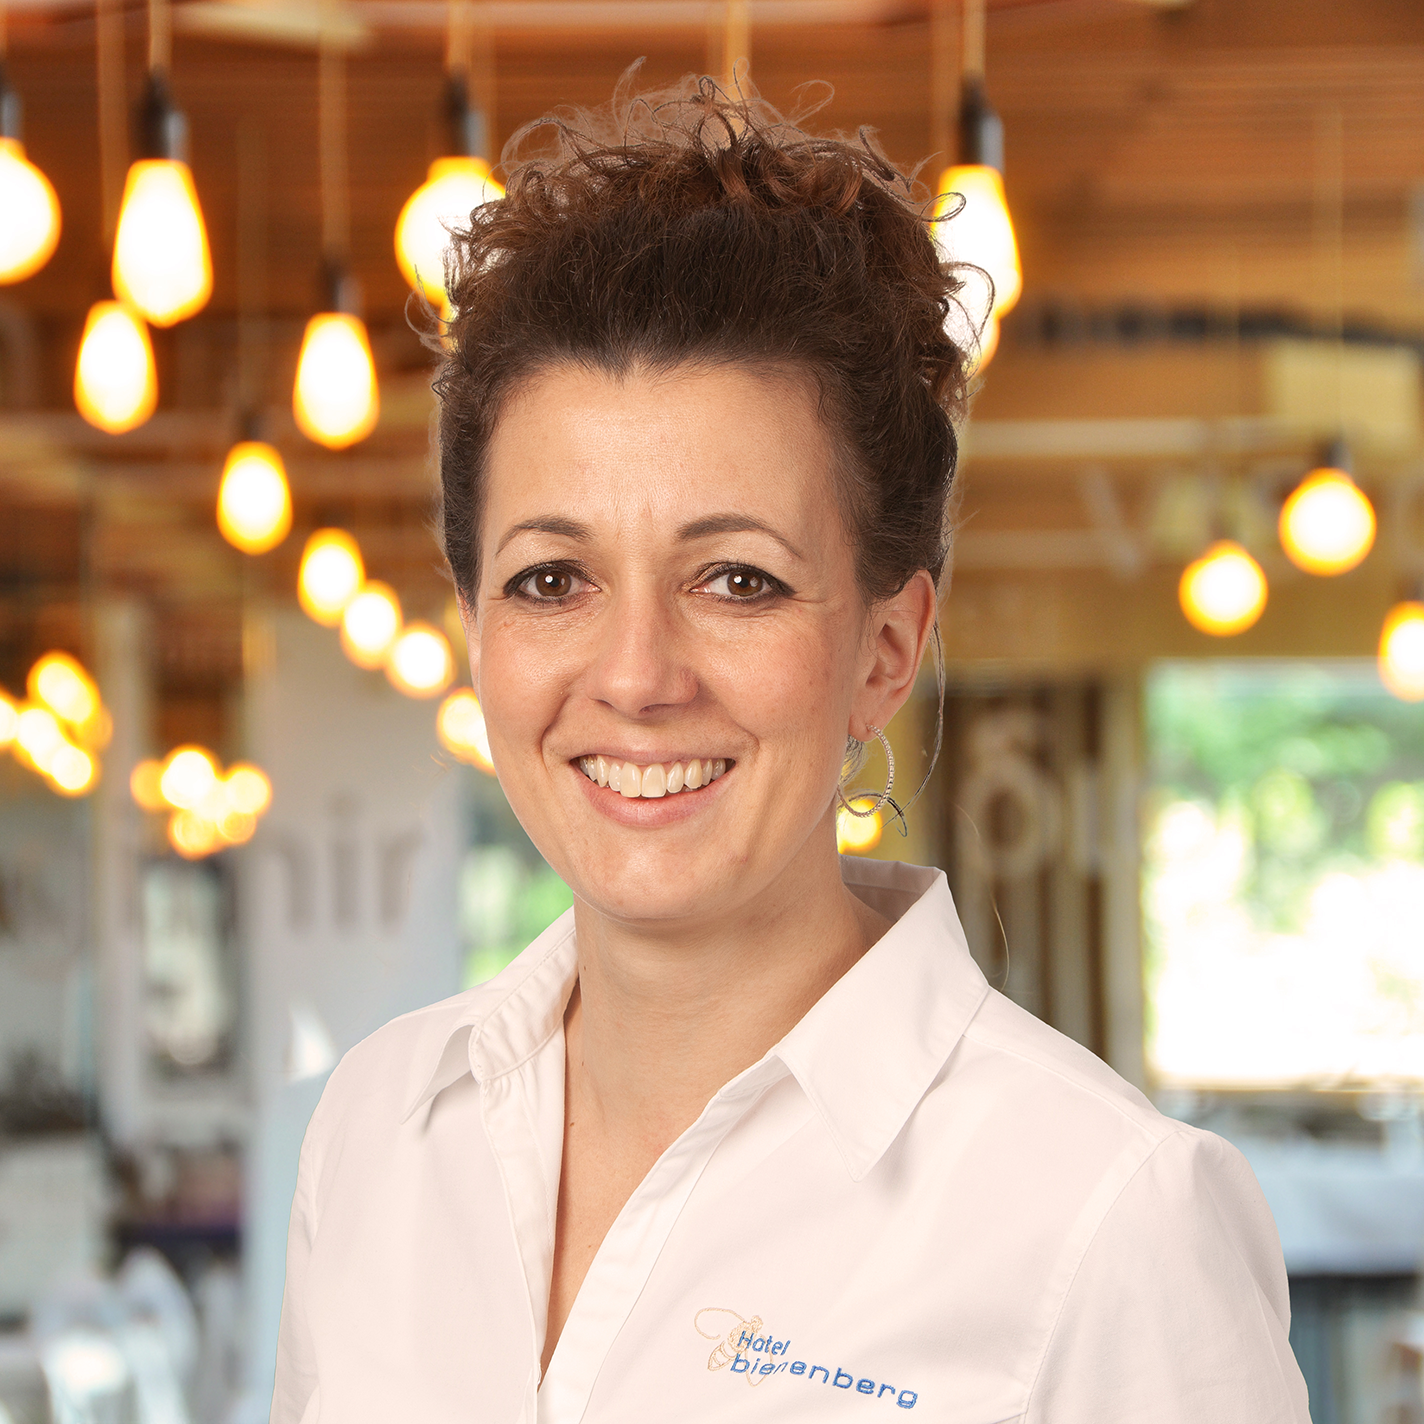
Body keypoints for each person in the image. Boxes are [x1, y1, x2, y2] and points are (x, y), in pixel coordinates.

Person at [271, 78, 1310, 1424]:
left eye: (738, 581)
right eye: (550, 581)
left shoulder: (1107, 1219)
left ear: (887, 647)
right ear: (475, 625)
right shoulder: (376, 1128)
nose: (636, 677)